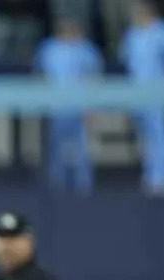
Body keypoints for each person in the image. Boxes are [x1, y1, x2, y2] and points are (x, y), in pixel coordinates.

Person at [120, 1, 164, 196]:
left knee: (160, 135)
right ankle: (149, 176)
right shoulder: (132, 34)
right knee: (145, 137)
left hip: (159, 91)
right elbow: (126, 60)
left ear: (149, 13)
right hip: (137, 92)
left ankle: (163, 179)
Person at [34, 17, 103, 195]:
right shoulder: (49, 49)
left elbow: (94, 79)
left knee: (82, 149)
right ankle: (57, 186)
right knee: (57, 148)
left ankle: (84, 187)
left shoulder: (86, 50)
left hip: (81, 106)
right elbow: (40, 76)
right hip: (57, 106)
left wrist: (93, 107)